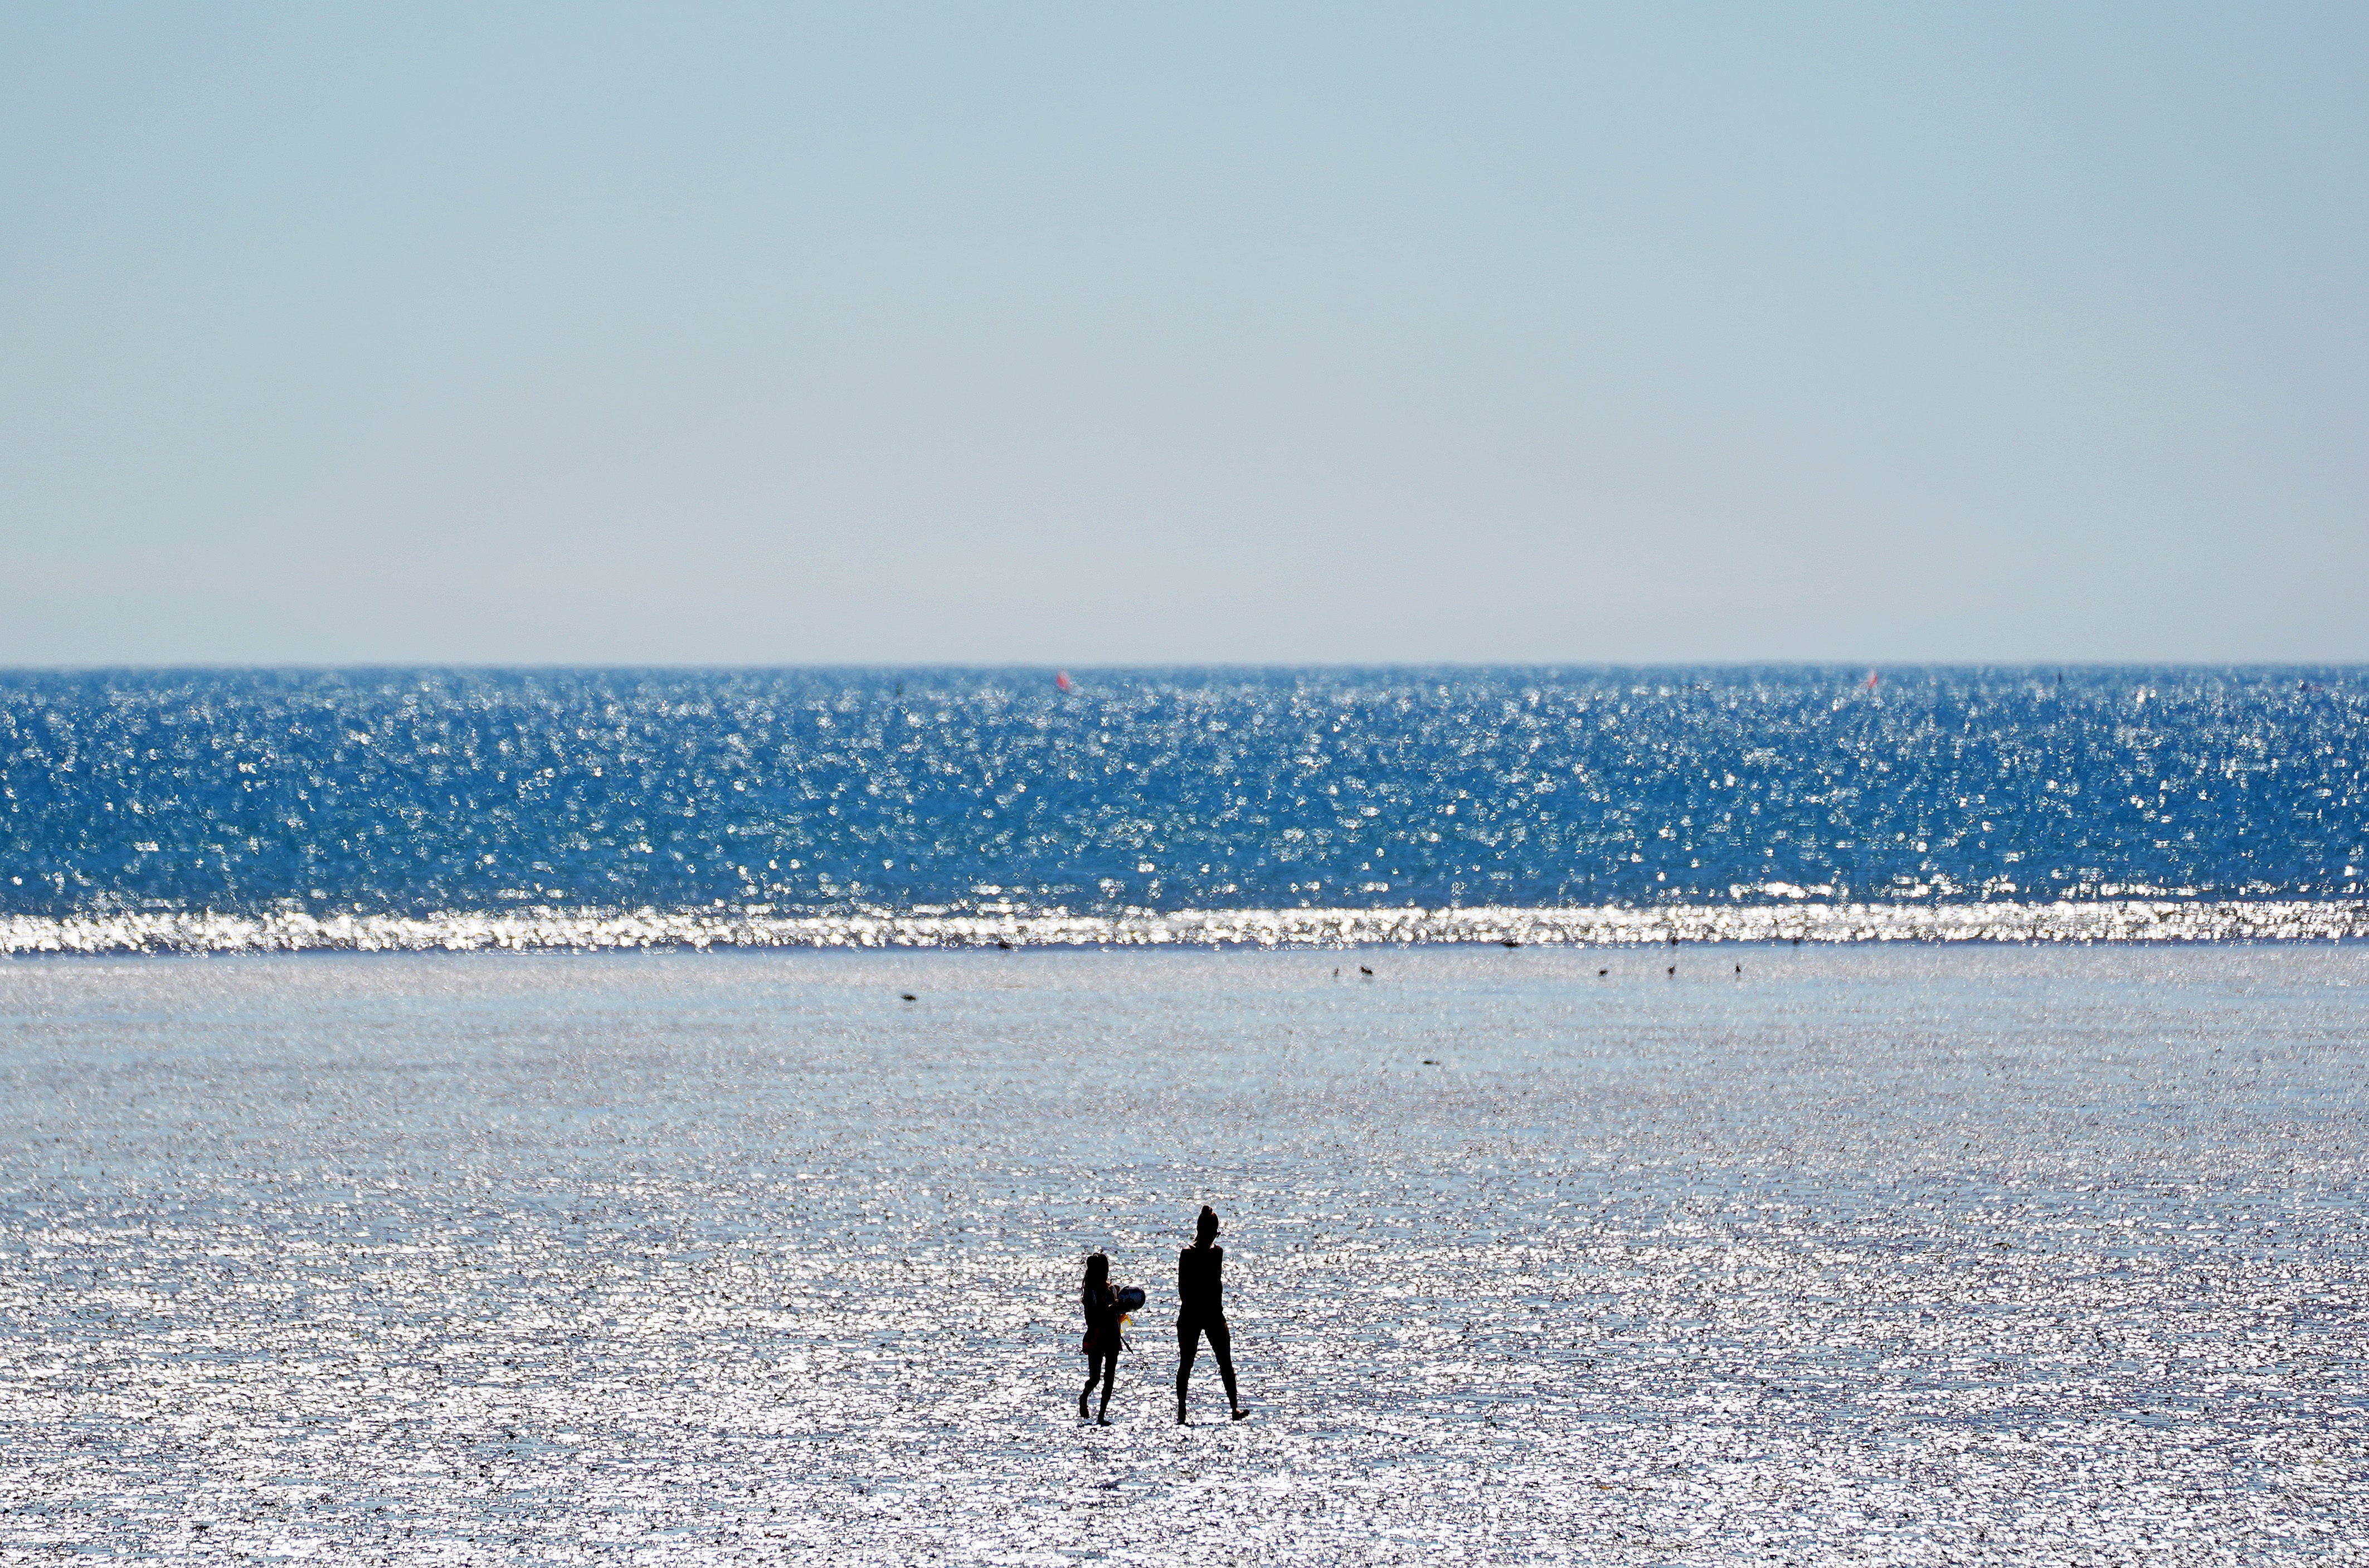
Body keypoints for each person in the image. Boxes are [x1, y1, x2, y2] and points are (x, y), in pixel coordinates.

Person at [1175, 1206, 1248, 1424]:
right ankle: (1182, 1411)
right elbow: (1184, 1289)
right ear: (1202, 1231)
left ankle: (1234, 1408)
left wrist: (1216, 1313)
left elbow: (1214, 1285)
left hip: (1212, 1313)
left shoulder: (1217, 1252)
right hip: (1193, 1312)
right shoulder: (1188, 1253)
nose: (1213, 1238)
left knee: (1225, 1361)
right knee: (1187, 1362)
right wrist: (1201, 1307)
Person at [1079, 1252, 1121, 1424]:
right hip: (1096, 1337)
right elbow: (1091, 1320)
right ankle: (1084, 1397)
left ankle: (1102, 1415)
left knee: (1110, 1377)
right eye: (1102, 1271)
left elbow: (1120, 1315)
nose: (1105, 1274)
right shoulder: (1091, 1294)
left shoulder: (1112, 1290)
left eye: (1106, 1271)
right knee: (1095, 1378)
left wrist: (1122, 1305)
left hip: (1113, 1336)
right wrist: (1110, 1309)